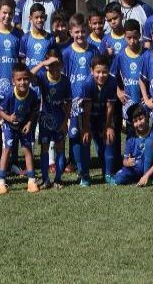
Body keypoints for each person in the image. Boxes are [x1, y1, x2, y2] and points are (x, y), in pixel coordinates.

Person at [62, 13, 99, 186]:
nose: (80, 35)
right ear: (71, 32)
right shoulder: (67, 53)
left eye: (83, 31)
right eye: (76, 32)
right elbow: (64, 77)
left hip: (90, 101)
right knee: (74, 134)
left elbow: (99, 75)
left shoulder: (94, 50)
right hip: (73, 101)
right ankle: (81, 170)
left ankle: (85, 172)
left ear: (88, 30)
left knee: (86, 134)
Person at [0, 63, 40, 194]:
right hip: (9, 125)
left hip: (24, 125)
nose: (23, 82)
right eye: (19, 79)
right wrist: (9, 118)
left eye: (26, 78)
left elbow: (34, 110)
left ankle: (31, 180)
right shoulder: (9, 94)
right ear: (13, 81)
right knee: (7, 150)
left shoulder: (32, 94)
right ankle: (1, 181)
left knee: (27, 150)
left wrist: (29, 123)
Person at [35, 48, 72, 189]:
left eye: (56, 64)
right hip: (45, 120)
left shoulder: (65, 81)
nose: (54, 68)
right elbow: (29, 74)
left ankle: (58, 179)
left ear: (61, 64)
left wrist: (65, 122)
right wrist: (43, 63)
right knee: (44, 149)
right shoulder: (43, 77)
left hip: (59, 120)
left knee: (60, 149)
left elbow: (69, 102)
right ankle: (45, 180)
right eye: (51, 65)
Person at [81, 55, 118, 185]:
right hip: (89, 116)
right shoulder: (88, 83)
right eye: (98, 72)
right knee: (85, 140)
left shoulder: (112, 82)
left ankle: (108, 174)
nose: (101, 75)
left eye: (104, 72)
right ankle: (85, 176)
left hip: (103, 115)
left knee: (109, 138)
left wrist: (108, 126)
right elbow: (87, 108)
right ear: (92, 71)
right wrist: (86, 128)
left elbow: (110, 106)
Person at [110, 18, 145, 124]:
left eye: (135, 37)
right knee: (131, 132)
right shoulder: (120, 55)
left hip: (144, 102)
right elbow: (111, 76)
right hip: (128, 102)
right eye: (129, 38)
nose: (132, 41)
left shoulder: (147, 54)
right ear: (124, 36)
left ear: (139, 35)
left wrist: (148, 96)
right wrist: (118, 92)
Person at [113, 104, 153, 186]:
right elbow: (125, 161)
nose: (139, 123)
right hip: (135, 168)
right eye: (135, 121)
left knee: (149, 142)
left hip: (150, 167)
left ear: (146, 117)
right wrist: (128, 162)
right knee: (118, 179)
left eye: (141, 119)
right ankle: (138, 178)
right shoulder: (131, 137)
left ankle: (148, 177)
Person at [19, 2, 55, 75]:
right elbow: (22, 60)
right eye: (36, 17)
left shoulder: (50, 39)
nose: (39, 20)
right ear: (30, 18)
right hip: (29, 80)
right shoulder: (25, 38)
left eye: (41, 17)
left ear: (45, 17)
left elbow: (52, 60)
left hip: (45, 80)